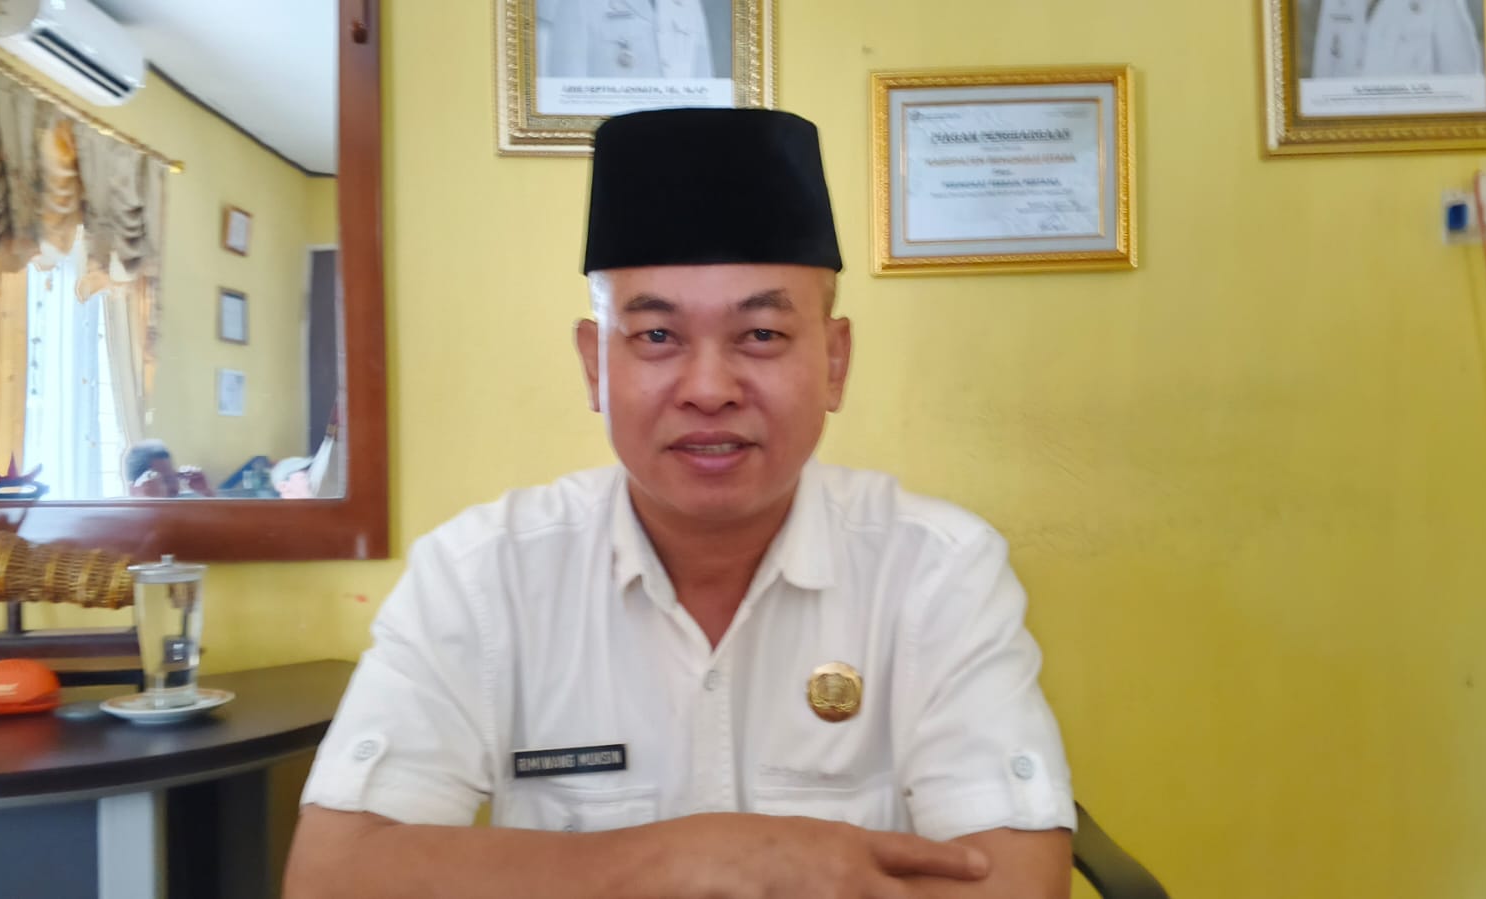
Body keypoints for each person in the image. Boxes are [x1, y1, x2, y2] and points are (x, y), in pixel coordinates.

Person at [284, 108, 1075, 898]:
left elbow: (1014, 882)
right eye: (656, 337)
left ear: (834, 362)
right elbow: (331, 875)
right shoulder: (480, 573)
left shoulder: (936, 569)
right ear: (594, 365)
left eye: (760, 334)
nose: (708, 389)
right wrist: (690, 856)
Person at [539, 0, 714, 79]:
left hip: (678, 130)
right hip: (618, 132)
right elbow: (567, 83)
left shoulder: (689, 4)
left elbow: (703, 79)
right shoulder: (579, 3)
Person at [1311, 0, 1484, 79]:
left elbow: (1464, 82)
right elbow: (1322, 73)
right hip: (1348, 135)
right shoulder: (1332, 3)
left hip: (1410, 133)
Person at [123, 439, 213, 498]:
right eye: (162, 481)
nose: (174, 488)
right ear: (134, 490)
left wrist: (206, 493)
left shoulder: (183, 509)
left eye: (173, 478)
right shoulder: (122, 520)